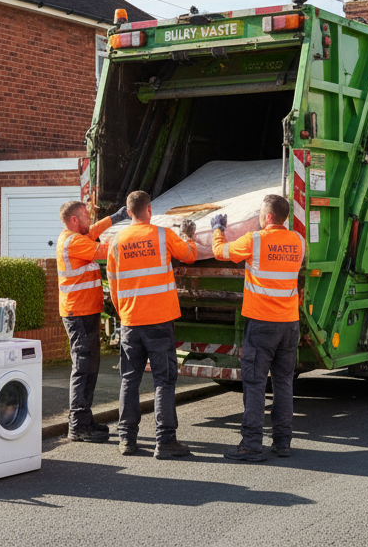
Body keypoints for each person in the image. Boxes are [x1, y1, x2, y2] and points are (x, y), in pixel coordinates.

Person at [210, 194, 305, 462]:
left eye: (262, 214)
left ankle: (251, 445)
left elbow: (221, 252)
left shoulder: (255, 241)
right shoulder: (298, 241)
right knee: (284, 383)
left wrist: (218, 228)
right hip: (289, 325)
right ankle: (283, 443)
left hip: (262, 325)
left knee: (254, 385)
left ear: (269, 217)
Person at [106, 190, 197, 459]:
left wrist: (124, 313)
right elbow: (189, 255)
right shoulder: (162, 235)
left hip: (131, 322)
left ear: (129, 211)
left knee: (129, 381)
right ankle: (166, 441)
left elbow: (112, 284)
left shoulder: (115, 240)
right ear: (149, 210)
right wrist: (188, 236)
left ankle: (127, 440)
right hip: (159, 322)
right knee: (163, 382)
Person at [55, 199, 128, 443]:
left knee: (89, 367)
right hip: (79, 314)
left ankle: (83, 421)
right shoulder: (74, 241)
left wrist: (116, 218)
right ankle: (77, 425)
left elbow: (94, 231)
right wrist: (131, 236)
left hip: (83, 312)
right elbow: (104, 251)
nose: (90, 220)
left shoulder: (76, 236)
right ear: (74, 220)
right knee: (83, 368)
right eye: (86, 216)